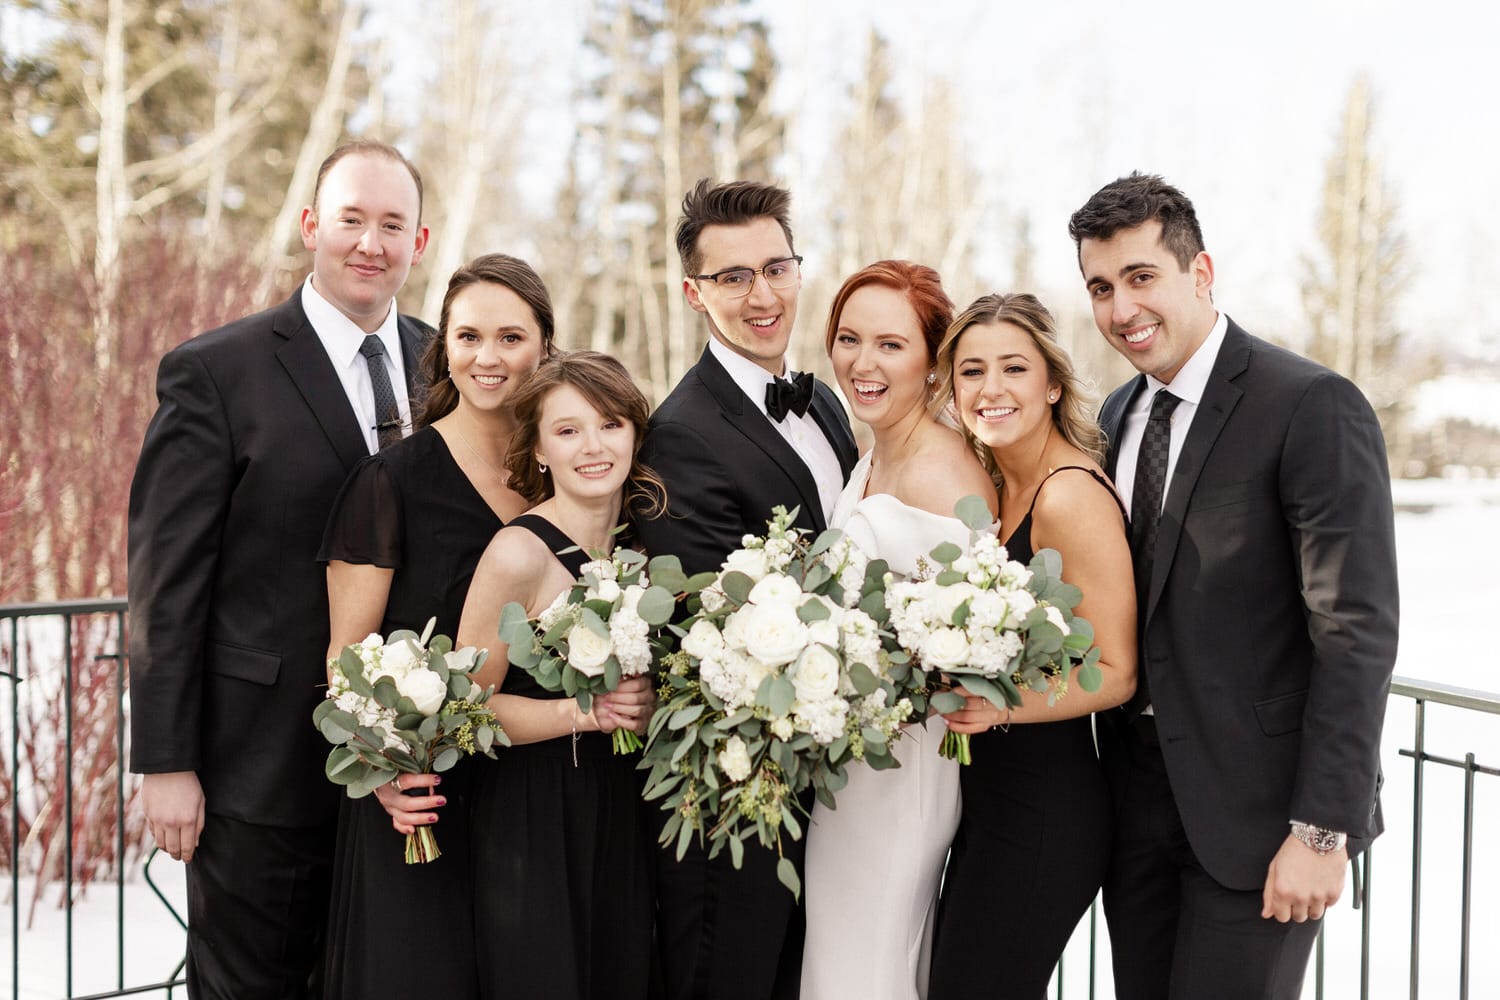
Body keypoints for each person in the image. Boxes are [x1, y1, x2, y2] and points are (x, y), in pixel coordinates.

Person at [1068, 172, 1399, 999]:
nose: (1121, 309)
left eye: (1142, 277)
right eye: (1101, 288)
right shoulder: (1114, 417)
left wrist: (1323, 831)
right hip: (1138, 808)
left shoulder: (1312, 405)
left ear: (1201, 273)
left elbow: (1355, 631)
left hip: (1262, 819)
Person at [127, 140, 430, 999]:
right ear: (310, 227)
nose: (370, 243)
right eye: (351, 220)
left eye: (391, 224)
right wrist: (165, 762)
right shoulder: (217, 372)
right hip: (259, 772)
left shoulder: (448, 365)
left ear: (421, 241)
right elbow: (165, 582)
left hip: (411, 775)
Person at [633, 179, 859, 1000]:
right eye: (732, 278)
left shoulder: (829, 404)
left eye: (775, 268)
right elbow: (707, 630)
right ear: (694, 293)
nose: (760, 296)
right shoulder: (680, 435)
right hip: (737, 793)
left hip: (829, 778)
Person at [318, 253, 554, 999]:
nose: (489, 358)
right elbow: (346, 658)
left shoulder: (566, 472)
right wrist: (386, 772)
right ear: (443, 349)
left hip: (543, 792)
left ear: (545, 346)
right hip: (427, 797)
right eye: (469, 336)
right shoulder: (391, 481)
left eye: (511, 337)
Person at [926, 293, 1139, 1000]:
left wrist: (998, 706)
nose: (991, 389)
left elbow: (1116, 671)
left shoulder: (1068, 495)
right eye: (971, 371)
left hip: (1045, 811)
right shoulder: (993, 486)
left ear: (1051, 383)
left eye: (1013, 369)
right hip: (988, 802)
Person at [798, 261, 998, 1000]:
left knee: (868, 964)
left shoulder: (947, 474)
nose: (862, 362)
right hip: (851, 765)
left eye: (890, 344)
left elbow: (977, 638)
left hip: (904, 770)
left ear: (932, 362)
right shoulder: (874, 455)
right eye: (849, 339)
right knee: (842, 959)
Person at [455, 350, 662, 1000]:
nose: (593, 446)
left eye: (610, 424)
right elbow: (465, 714)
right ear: (540, 449)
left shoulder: (642, 549)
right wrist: (585, 713)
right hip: (534, 821)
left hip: (626, 810)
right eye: (568, 430)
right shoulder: (519, 553)